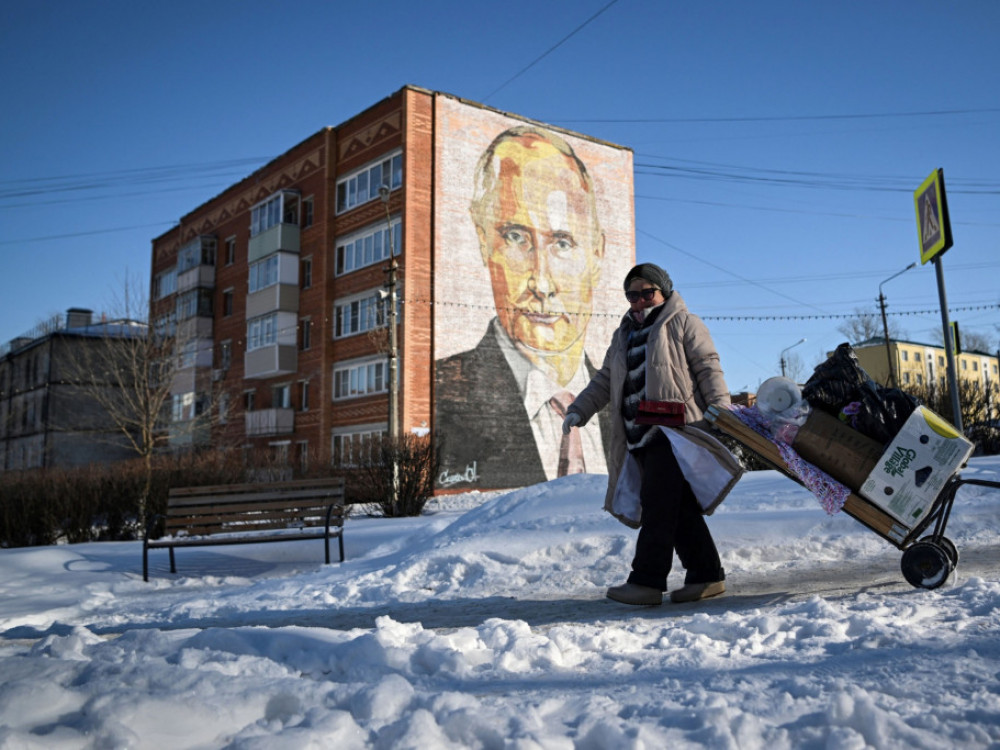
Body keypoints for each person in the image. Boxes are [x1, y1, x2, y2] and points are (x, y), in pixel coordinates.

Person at [436, 126, 610, 488]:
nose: (542, 284)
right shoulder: (440, 395)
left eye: (562, 243)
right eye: (516, 237)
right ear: (484, 243)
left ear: (597, 255)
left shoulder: (622, 401)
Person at [562, 263, 743, 604]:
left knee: (658, 503)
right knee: (679, 506)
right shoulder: (623, 334)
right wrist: (580, 409)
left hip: (677, 431)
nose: (640, 301)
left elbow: (708, 367)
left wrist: (721, 409)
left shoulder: (684, 323)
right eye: (632, 296)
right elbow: (605, 378)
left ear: (664, 291)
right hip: (637, 433)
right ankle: (706, 574)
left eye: (648, 293)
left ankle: (647, 580)